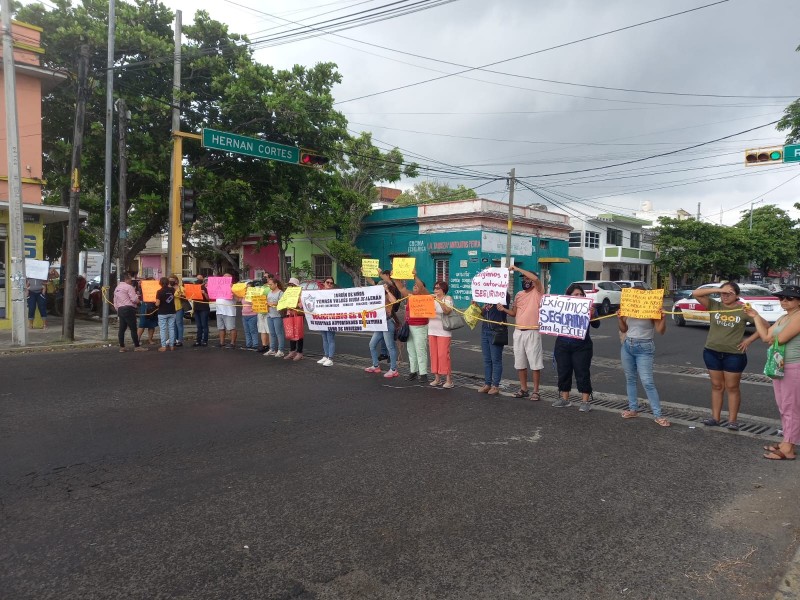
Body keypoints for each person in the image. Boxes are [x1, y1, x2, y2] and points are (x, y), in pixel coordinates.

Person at [693, 281, 759, 430]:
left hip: (734, 354)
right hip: (711, 352)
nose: (725, 296)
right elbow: (696, 293)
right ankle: (715, 418)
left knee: (732, 387)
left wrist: (748, 340)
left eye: (729, 293)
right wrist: (719, 288)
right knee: (717, 386)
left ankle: (732, 421)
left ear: (737, 295)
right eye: (723, 293)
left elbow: (765, 327)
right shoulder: (714, 305)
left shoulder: (744, 310)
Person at [745, 285, 800, 460]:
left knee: (792, 407)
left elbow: (780, 339)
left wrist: (770, 336)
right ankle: (787, 441)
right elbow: (766, 337)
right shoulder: (785, 317)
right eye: (782, 298)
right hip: (780, 365)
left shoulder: (798, 317)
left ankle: (789, 448)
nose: (784, 301)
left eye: (789, 298)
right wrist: (756, 317)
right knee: (783, 406)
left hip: (794, 365)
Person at [551, 284, 602, 412]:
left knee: (582, 372)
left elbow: (597, 324)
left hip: (582, 346)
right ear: (569, 296)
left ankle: (585, 401)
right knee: (563, 371)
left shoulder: (590, 308)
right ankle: (564, 398)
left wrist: (592, 315)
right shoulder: (561, 308)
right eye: (576, 294)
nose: (579, 296)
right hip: (562, 344)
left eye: (581, 294)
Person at [617, 306, 669, 426]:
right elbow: (623, 328)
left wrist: (663, 318)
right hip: (627, 345)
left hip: (645, 347)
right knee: (630, 378)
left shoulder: (651, 309)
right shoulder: (628, 308)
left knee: (647, 382)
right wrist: (619, 319)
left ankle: (658, 415)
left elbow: (660, 331)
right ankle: (633, 409)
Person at [499, 265, 544, 400]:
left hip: (532, 331)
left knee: (535, 363)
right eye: (523, 279)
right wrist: (504, 309)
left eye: (527, 278)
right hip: (518, 332)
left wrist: (518, 269)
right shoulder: (518, 295)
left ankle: (536, 391)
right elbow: (514, 313)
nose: (525, 280)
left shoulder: (538, 291)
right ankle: (523, 389)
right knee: (520, 362)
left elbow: (535, 279)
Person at [395, 270, 430, 383]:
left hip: (420, 327)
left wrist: (415, 275)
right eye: (414, 285)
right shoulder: (410, 296)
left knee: (420, 350)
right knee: (411, 350)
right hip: (409, 326)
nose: (415, 286)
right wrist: (395, 277)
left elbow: (421, 286)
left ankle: (423, 373)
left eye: (417, 285)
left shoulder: (425, 296)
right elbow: (401, 288)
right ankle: (413, 371)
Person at [364, 272, 400, 377]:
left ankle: (393, 369)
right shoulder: (376, 296)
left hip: (387, 323)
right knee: (372, 344)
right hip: (379, 323)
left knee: (390, 347)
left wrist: (387, 290)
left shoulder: (387, 296)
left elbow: (395, 301)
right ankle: (375, 366)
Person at [475, 293, 510, 395]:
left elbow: (503, 311)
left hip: (497, 331)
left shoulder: (504, 295)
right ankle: (487, 384)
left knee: (496, 360)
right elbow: (483, 313)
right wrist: (477, 305)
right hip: (485, 330)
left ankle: (495, 386)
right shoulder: (487, 296)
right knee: (487, 359)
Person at [428, 280, 455, 388]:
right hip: (431, 330)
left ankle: (449, 380)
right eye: (434, 288)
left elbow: (447, 310)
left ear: (443, 289)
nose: (435, 290)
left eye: (438, 288)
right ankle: (437, 378)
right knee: (433, 354)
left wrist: (438, 300)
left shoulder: (447, 299)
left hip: (443, 331)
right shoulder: (431, 298)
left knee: (443, 355)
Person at [113, 271, 146, 352]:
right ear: (126, 279)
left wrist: (118, 309)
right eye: (130, 278)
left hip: (120, 309)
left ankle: (122, 347)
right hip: (129, 309)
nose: (131, 280)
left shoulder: (117, 288)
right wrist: (139, 300)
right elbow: (134, 299)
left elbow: (115, 301)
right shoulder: (129, 287)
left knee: (122, 328)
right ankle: (137, 346)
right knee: (133, 328)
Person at [284, 277, 305, 361]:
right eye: (289, 285)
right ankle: (292, 351)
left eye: (292, 285)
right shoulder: (287, 292)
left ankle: (299, 352)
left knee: (299, 333)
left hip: (298, 314)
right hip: (290, 314)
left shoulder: (301, 293)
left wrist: (294, 304)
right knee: (291, 332)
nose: (291, 286)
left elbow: (302, 304)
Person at [318, 277, 337, 367]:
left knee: (330, 338)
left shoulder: (336, 293)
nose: (329, 284)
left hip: (331, 319)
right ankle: (326, 356)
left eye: (331, 283)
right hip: (322, 319)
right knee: (324, 338)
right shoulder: (319, 293)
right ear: (324, 283)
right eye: (328, 282)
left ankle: (331, 358)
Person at [265, 277, 286, 358]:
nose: (269, 286)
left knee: (279, 333)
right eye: (268, 284)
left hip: (277, 315)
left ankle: (281, 350)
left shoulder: (280, 293)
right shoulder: (269, 292)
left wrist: (274, 304)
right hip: (269, 314)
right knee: (272, 333)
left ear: (276, 284)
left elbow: (283, 303)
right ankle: (272, 349)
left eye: (271, 284)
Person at [215, 275, 238, 349]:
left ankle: (232, 343)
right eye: (224, 277)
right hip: (219, 310)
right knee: (221, 328)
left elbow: (238, 299)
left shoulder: (234, 287)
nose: (224, 279)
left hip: (229, 311)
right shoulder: (219, 286)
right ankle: (222, 343)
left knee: (231, 327)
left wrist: (232, 290)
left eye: (227, 278)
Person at [154, 276, 176, 352]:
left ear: (160, 283)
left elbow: (157, 304)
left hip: (162, 312)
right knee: (171, 328)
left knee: (163, 329)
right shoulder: (172, 290)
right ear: (168, 283)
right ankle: (172, 346)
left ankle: (163, 346)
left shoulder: (159, 292)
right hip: (172, 311)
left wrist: (155, 303)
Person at [137, 278, 157, 345]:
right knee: (142, 324)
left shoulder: (156, 288)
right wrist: (141, 283)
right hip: (145, 306)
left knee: (152, 325)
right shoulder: (144, 288)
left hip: (154, 306)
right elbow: (139, 287)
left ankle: (150, 339)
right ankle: (137, 340)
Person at [192, 274, 210, 347]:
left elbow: (209, 298)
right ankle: (198, 341)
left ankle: (205, 341)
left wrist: (204, 293)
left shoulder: (205, 287)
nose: (198, 279)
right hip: (196, 308)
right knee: (199, 326)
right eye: (197, 278)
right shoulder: (194, 287)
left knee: (204, 325)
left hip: (204, 309)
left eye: (200, 278)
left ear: (203, 279)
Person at [241, 281, 259, 351]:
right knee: (247, 331)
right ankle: (248, 344)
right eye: (247, 287)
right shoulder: (244, 295)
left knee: (253, 330)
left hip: (252, 315)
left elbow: (256, 303)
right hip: (244, 315)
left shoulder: (255, 295)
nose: (248, 289)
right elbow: (238, 299)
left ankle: (255, 344)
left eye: (249, 287)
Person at [171, 274, 185, 347]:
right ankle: (174, 340)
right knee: (173, 325)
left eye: (172, 280)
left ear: (176, 280)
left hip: (179, 307)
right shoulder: (169, 288)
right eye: (170, 280)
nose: (171, 281)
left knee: (179, 323)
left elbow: (184, 296)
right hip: (171, 308)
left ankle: (180, 340)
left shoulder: (181, 288)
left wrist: (180, 294)